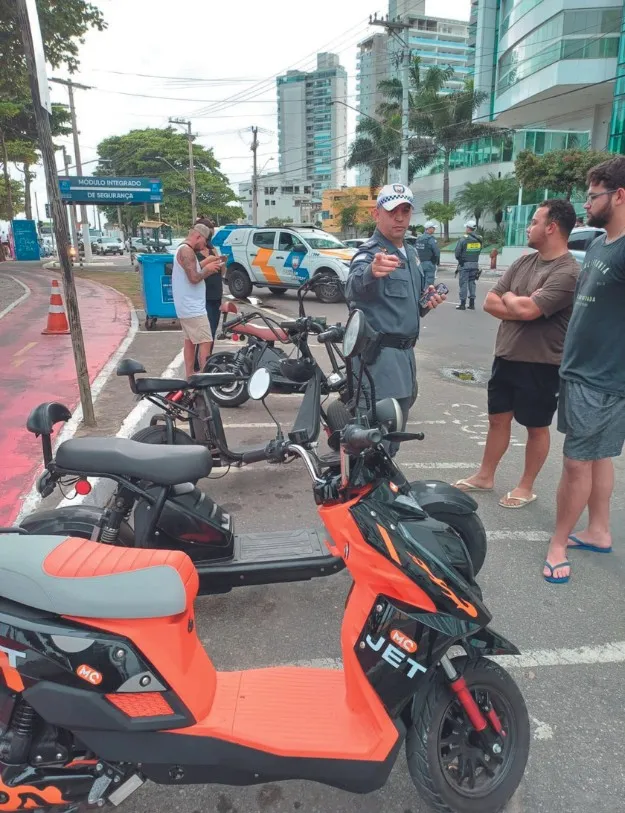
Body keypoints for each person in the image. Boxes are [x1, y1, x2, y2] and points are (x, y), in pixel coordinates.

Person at [454, 199, 579, 510]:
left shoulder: (568, 271)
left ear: (551, 227)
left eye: (534, 222)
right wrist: (519, 306)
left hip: (542, 363)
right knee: (498, 419)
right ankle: (485, 476)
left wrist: (512, 299)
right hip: (506, 356)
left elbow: (528, 309)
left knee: (536, 426)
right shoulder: (524, 262)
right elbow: (489, 303)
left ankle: (526, 486)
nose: (528, 227)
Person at [544, 156, 625, 584]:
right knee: (599, 455)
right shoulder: (598, 244)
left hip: (603, 379)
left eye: (593, 195)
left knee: (576, 462)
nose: (587, 202)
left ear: (619, 195)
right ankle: (598, 530)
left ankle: (558, 543)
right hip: (579, 371)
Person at [345, 183, 445, 453]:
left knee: (393, 436)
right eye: (392, 211)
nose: (399, 217)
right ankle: (366, 492)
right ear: (377, 215)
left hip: (404, 359)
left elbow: (406, 305)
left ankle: (378, 490)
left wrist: (426, 303)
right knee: (376, 440)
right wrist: (371, 272)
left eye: (405, 210)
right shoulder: (370, 253)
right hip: (378, 361)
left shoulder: (410, 254)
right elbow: (352, 287)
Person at [172, 223, 223, 378]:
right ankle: (203, 378)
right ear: (198, 236)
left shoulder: (182, 249)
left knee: (190, 342)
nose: (204, 246)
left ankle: (190, 376)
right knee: (206, 341)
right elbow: (194, 277)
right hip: (193, 308)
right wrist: (208, 270)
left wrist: (206, 262)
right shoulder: (187, 251)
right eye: (204, 241)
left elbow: (192, 269)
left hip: (185, 306)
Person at [192, 218, 225, 371]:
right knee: (203, 333)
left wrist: (220, 264)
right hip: (202, 296)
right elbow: (192, 271)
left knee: (212, 330)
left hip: (216, 293)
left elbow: (221, 271)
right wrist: (207, 262)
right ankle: (199, 363)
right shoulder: (192, 251)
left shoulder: (213, 250)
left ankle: (207, 360)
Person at [455, 221, 483, 310]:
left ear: (468, 228)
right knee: (472, 283)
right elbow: (479, 250)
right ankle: (472, 304)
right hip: (475, 264)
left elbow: (457, 253)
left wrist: (461, 260)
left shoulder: (463, 239)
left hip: (464, 265)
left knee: (463, 283)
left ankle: (462, 304)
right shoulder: (479, 239)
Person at [415, 221, 440, 288]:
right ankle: (426, 297)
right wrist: (436, 262)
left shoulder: (419, 238)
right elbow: (437, 252)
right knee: (429, 283)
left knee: (421, 281)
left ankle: (420, 295)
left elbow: (415, 250)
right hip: (429, 263)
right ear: (429, 228)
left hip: (419, 263)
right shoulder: (431, 239)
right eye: (433, 228)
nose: (434, 229)